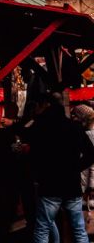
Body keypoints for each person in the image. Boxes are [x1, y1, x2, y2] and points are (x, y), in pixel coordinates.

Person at [24, 93, 94, 243]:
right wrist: (76, 167)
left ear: (47, 105)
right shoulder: (74, 127)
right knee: (79, 230)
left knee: (42, 228)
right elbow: (91, 154)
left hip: (50, 186)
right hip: (71, 185)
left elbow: (32, 153)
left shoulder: (40, 126)